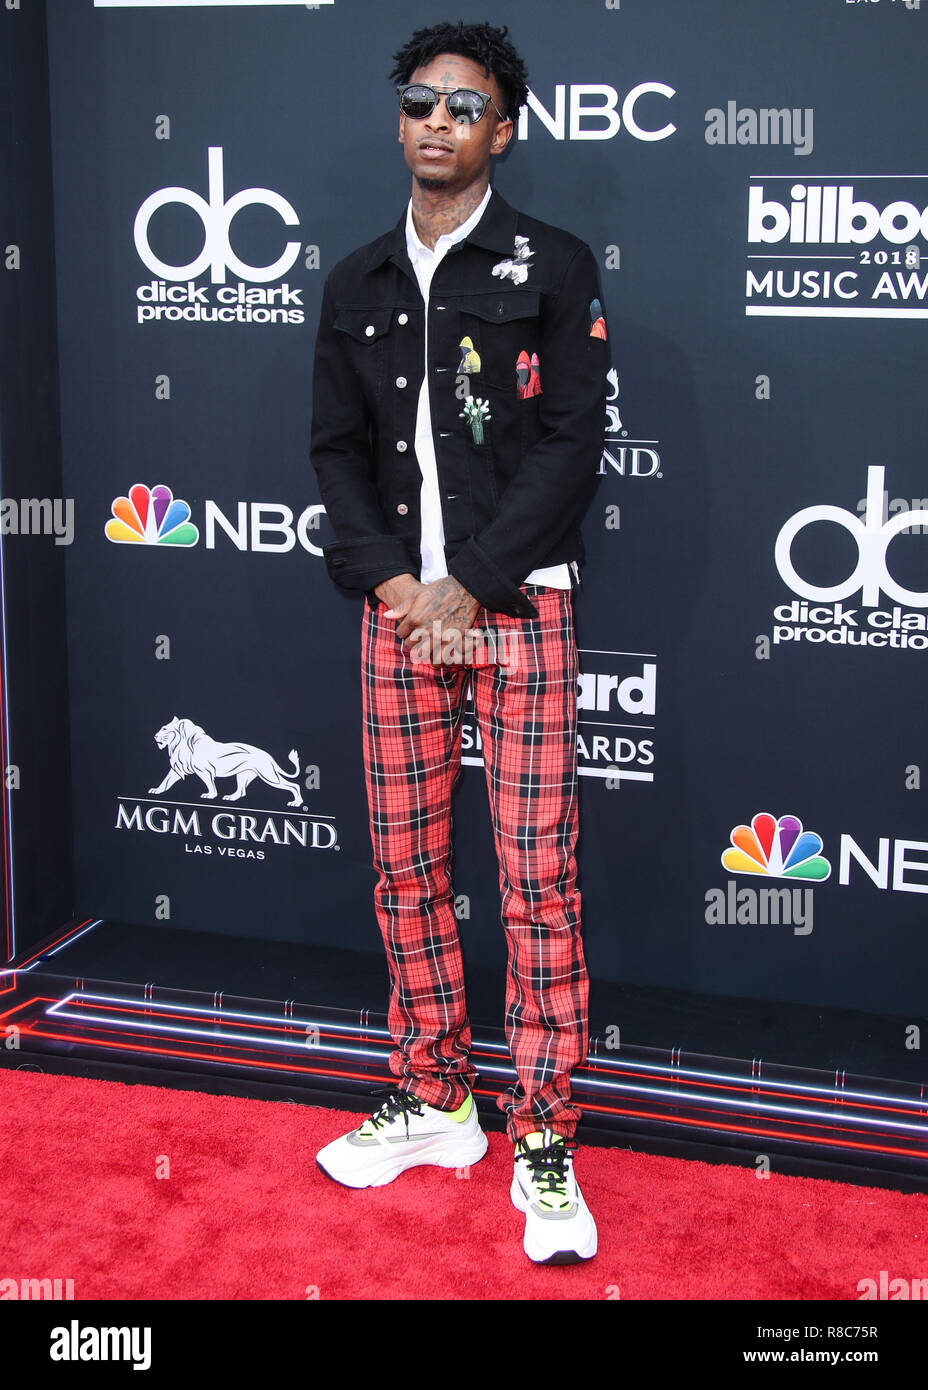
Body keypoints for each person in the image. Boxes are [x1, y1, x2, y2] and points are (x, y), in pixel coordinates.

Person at [310, 19, 608, 1265]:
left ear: (504, 129)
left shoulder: (551, 264)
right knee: (406, 870)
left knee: (536, 880)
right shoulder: (359, 279)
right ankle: (438, 1099)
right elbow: (333, 453)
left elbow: (570, 445)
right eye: (420, 100)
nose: (438, 120)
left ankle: (542, 1131)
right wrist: (390, 583)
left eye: (464, 104)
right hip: (397, 617)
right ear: (400, 120)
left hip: (517, 607)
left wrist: (469, 585)